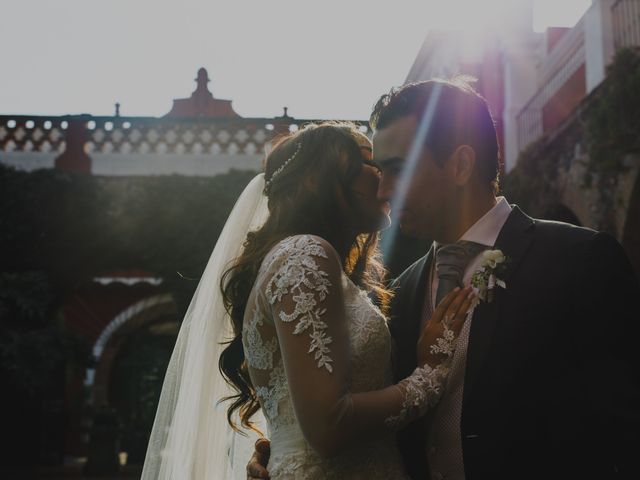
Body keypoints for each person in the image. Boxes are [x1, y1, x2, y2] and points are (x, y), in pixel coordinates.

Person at [248, 79, 640, 479]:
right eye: (379, 171)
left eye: (397, 170)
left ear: (461, 165)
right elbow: (361, 411)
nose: (383, 189)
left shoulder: (579, 260)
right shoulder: (398, 294)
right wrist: (279, 452)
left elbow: (626, 431)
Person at [142, 121, 476, 480]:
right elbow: (327, 428)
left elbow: (301, 413)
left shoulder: (307, 263)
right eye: (370, 164)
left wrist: (280, 451)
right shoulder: (306, 255)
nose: (385, 179)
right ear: (318, 179)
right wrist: (430, 375)